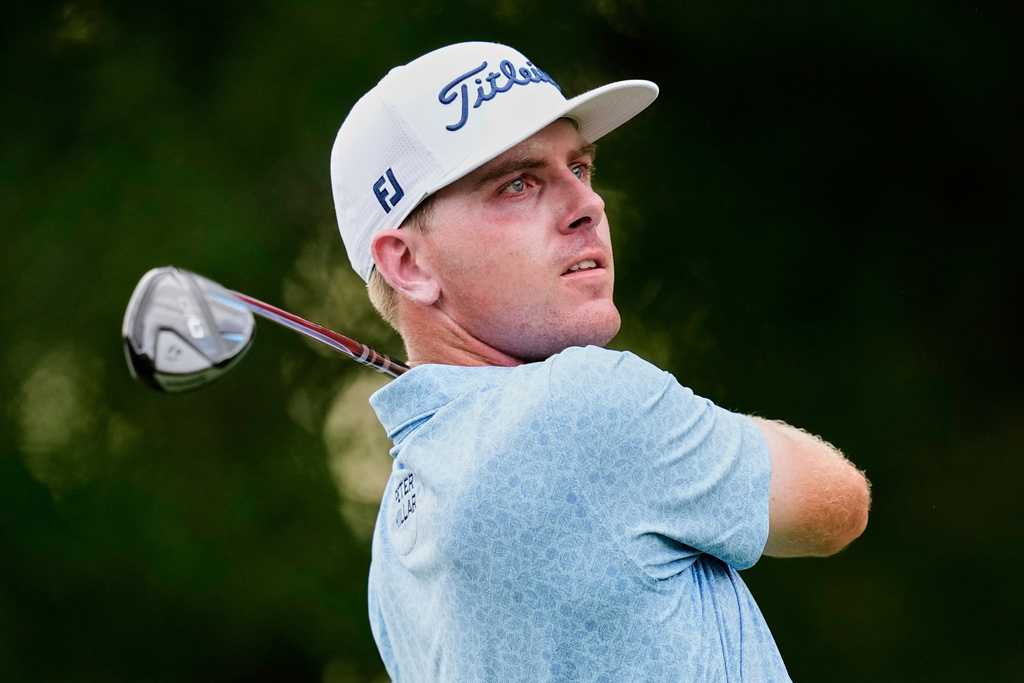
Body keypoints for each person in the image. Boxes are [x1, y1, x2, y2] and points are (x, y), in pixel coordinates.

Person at [330, 41, 870, 681]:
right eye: (518, 185)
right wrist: (685, 426)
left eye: (580, 168)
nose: (588, 205)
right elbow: (838, 505)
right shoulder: (589, 404)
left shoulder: (396, 542)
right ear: (409, 265)